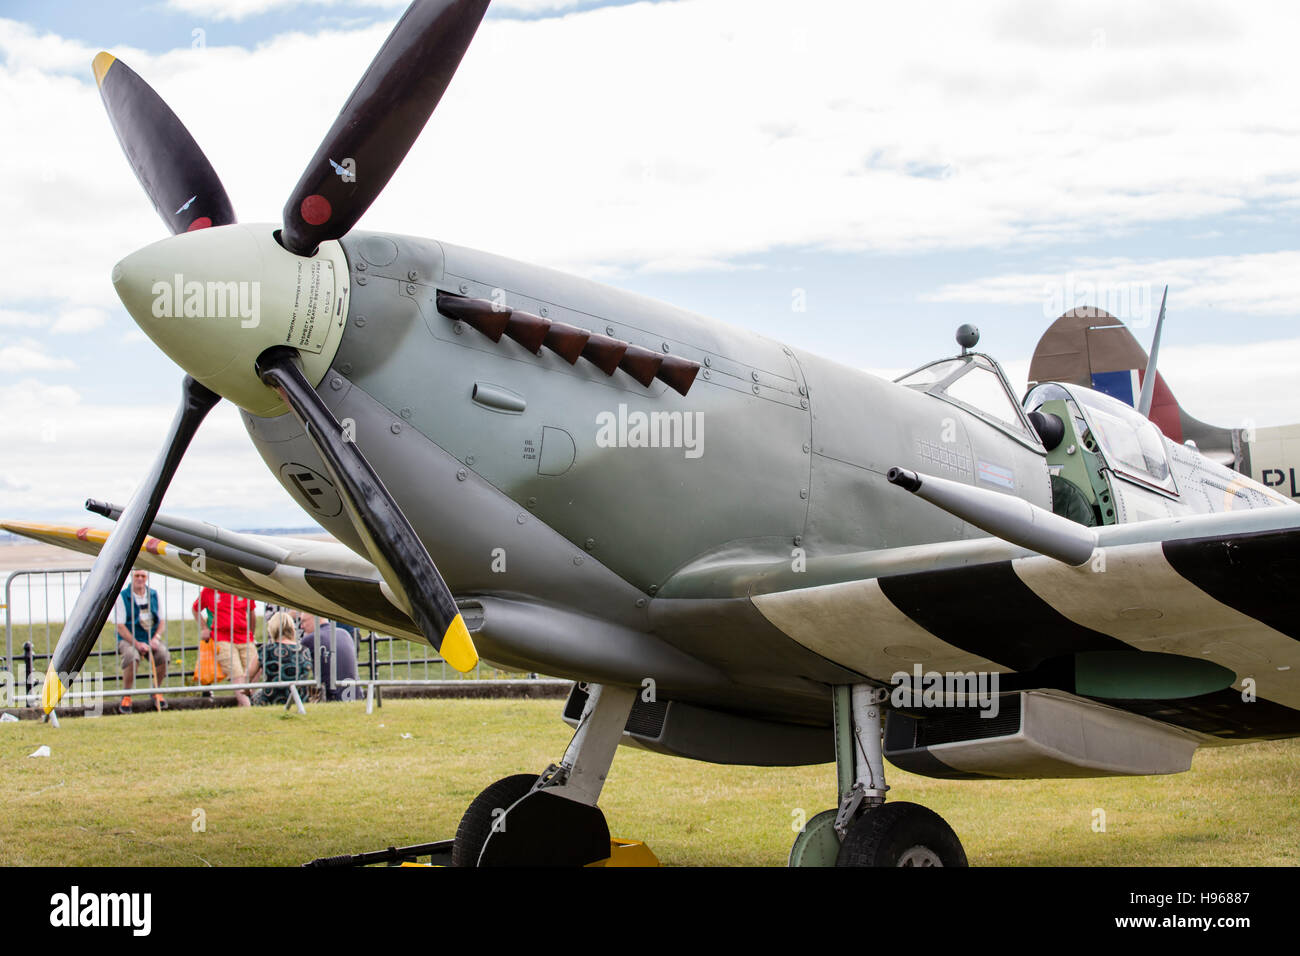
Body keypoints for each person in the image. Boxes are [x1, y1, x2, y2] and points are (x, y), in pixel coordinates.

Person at [112, 569, 170, 713]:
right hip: (129, 638)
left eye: (142, 576)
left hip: (150, 637)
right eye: (137, 575)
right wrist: (137, 643)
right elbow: (120, 626)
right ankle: (126, 695)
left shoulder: (154, 594)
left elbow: (161, 621)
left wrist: (155, 639)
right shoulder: (122, 596)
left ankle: (156, 690)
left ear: (147, 577)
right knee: (132, 656)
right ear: (132, 577)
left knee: (163, 654)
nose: (140, 579)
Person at [192, 587, 257, 707]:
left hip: (244, 636)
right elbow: (196, 609)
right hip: (222, 637)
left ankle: (244, 702)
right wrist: (205, 628)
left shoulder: (241, 587)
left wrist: (251, 634)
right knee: (235, 672)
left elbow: (251, 611)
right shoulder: (209, 591)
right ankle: (248, 706)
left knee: (253, 669)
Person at [246, 611, 312, 706]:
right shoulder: (305, 650)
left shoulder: (265, 650)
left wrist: (247, 691)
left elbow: (248, 675)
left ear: (272, 629)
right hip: (299, 698)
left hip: (271, 698)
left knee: (257, 695)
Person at [299, 613, 360, 702]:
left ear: (315, 619)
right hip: (355, 695)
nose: (301, 626)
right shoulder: (345, 633)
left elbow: (300, 672)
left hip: (330, 697)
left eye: (303, 621)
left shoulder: (310, 639)